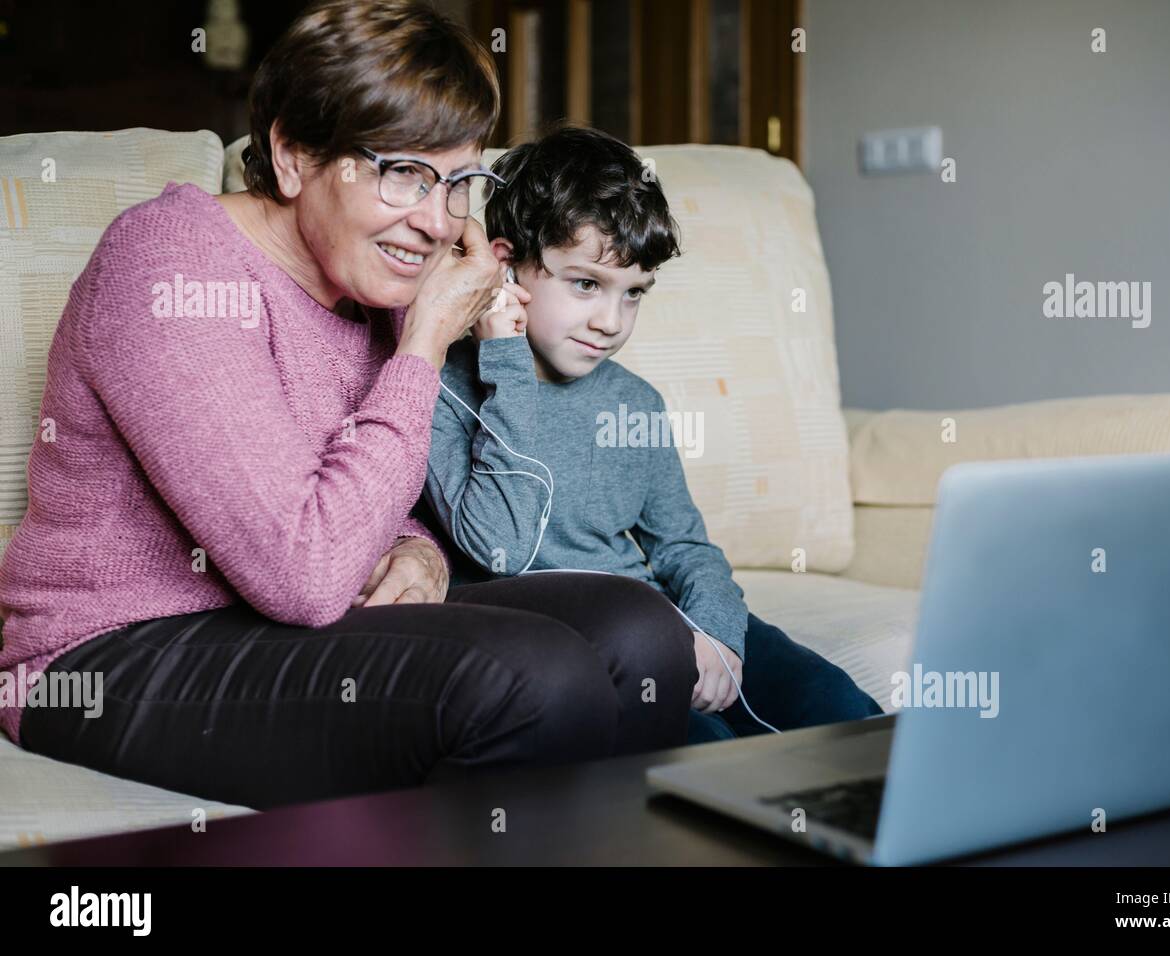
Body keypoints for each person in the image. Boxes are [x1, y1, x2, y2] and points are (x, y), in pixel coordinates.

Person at [0, 1, 696, 811]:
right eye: (403, 172)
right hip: (112, 654)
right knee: (533, 676)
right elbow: (306, 568)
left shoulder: (371, 285)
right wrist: (426, 342)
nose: (437, 223)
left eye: (459, 181)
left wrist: (421, 555)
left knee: (639, 632)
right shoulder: (169, 268)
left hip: (291, 622)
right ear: (293, 155)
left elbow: (381, 500)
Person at [422, 126, 883, 745]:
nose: (611, 322)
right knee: (705, 752)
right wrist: (503, 359)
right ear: (504, 265)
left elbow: (684, 547)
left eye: (633, 293)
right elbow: (499, 548)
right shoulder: (440, 389)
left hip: (664, 616)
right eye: (586, 283)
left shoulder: (635, 402)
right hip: (577, 642)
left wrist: (717, 632)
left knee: (848, 714)